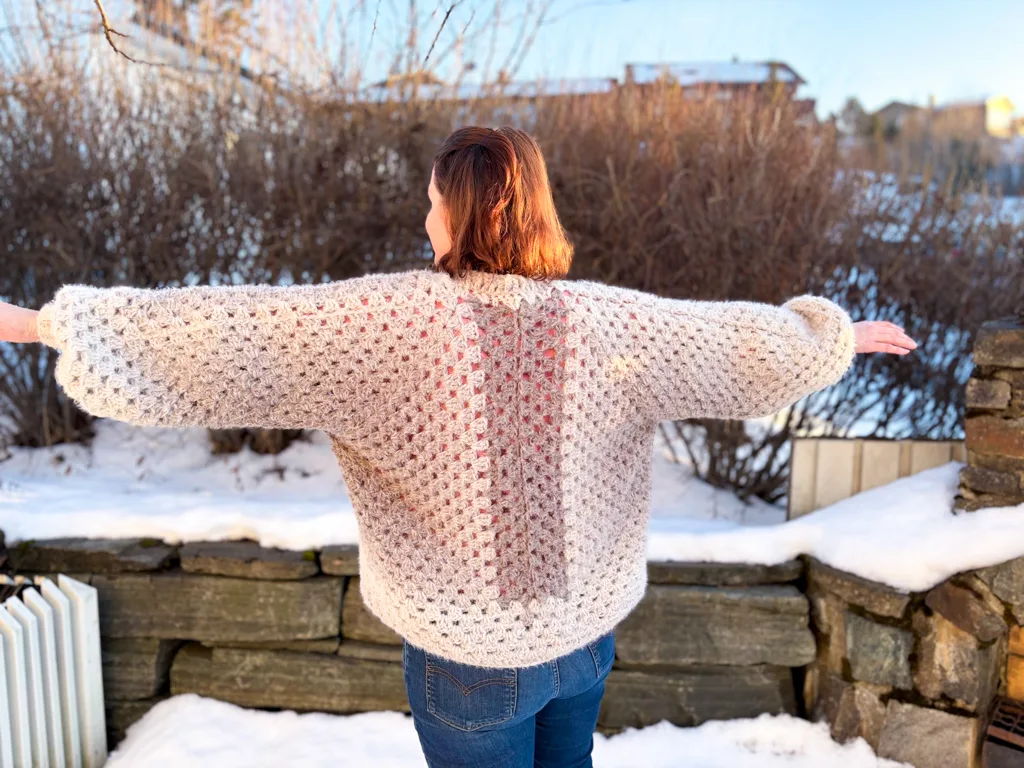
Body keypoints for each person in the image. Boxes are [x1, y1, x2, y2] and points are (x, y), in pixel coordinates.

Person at [0, 126, 916, 767]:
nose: (425, 216)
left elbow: (237, 333)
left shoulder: (389, 320)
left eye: (435, 201)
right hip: (583, 639)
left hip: (465, 662)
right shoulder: (606, 320)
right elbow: (730, 345)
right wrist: (831, 339)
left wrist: (49, 327)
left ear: (468, 211)